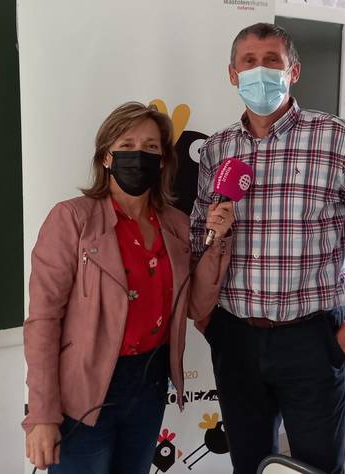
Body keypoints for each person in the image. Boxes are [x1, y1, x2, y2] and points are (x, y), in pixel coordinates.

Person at [189, 23, 345, 474]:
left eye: (272, 61)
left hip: (311, 341)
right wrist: (207, 315)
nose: (260, 71)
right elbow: (196, 239)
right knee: (248, 465)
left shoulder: (337, 139)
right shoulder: (217, 150)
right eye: (249, 62)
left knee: (316, 467)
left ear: (294, 71)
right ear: (233, 74)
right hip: (235, 338)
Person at [23, 102, 233, 473]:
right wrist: (42, 414)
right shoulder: (71, 219)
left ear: (163, 160)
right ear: (106, 157)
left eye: (151, 147)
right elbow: (43, 321)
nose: (139, 155)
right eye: (127, 145)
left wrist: (217, 243)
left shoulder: (177, 224)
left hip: (149, 383)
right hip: (85, 390)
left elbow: (197, 307)